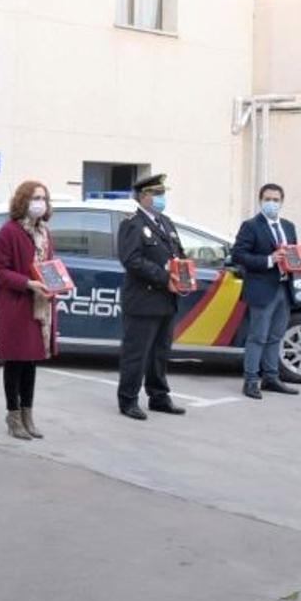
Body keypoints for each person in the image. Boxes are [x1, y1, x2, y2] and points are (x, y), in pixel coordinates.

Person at [116, 173, 188, 420]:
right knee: (137, 353)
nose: (161, 198)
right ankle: (128, 400)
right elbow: (132, 261)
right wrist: (164, 278)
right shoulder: (132, 224)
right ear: (143, 196)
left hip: (167, 300)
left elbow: (177, 254)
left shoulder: (165, 222)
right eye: (156, 194)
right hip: (143, 300)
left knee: (160, 352)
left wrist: (183, 274)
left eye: (162, 193)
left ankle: (158, 396)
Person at [0, 181, 59, 440]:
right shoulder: (8, 232)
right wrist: (28, 283)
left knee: (31, 361)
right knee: (15, 361)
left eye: (43, 198)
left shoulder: (44, 232)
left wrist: (57, 280)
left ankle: (28, 414)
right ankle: (13, 415)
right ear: (22, 201)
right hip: (16, 305)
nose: (40, 202)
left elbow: (49, 264)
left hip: (40, 305)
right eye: (34, 198)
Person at [231, 183, 301, 399]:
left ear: (282, 202)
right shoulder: (251, 226)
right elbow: (239, 255)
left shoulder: (288, 226)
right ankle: (251, 381)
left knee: (276, 336)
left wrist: (299, 265)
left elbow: (294, 252)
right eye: (268, 199)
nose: (272, 203)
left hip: (283, 287)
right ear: (261, 201)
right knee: (258, 337)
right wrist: (269, 260)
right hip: (262, 289)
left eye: (276, 199)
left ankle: (271, 378)